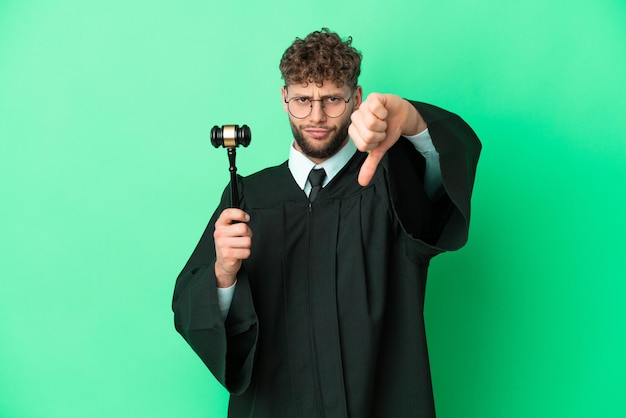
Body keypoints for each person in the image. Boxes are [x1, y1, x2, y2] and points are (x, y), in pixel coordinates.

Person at [173, 28, 481, 418]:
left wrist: (412, 120)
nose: (316, 116)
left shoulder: (388, 182)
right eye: (303, 99)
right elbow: (189, 308)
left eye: (332, 99)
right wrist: (223, 273)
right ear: (284, 100)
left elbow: (446, 176)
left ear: (356, 99)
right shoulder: (250, 197)